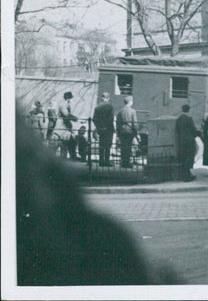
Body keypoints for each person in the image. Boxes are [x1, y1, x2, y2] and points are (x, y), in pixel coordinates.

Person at [15, 107, 181, 285]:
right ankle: (116, 161)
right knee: (113, 147)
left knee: (106, 148)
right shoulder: (94, 234)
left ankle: (106, 160)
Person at [175, 104, 200, 182]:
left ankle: (183, 175)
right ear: (188, 110)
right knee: (189, 158)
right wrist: (198, 134)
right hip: (189, 141)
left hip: (181, 141)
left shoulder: (178, 119)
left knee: (182, 157)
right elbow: (193, 130)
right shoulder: (189, 119)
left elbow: (177, 130)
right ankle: (187, 176)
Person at [93, 92, 115, 166]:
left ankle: (101, 161)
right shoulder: (110, 107)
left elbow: (94, 119)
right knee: (108, 146)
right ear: (108, 98)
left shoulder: (97, 107)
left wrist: (99, 127)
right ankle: (106, 161)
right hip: (108, 128)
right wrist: (107, 126)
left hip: (100, 129)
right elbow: (111, 119)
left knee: (101, 145)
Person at [116, 96, 138, 169]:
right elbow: (134, 122)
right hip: (129, 130)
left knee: (123, 146)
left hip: (122, 130)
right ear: (130, 102)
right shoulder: (132, 111)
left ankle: (123, 162)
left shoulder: (120, 111)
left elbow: (118, 122)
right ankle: (127, 162)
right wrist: (136, 130)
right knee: (128, 147)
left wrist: (118, 131)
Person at [58, 91, 79, 160]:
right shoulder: (62, 105)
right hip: (62, 125)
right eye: (69, 98)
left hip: (67, 125)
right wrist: (76, 119)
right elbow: (66, 115)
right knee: (64, 142)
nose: (70, 100)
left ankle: (72, 156)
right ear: (67, 98)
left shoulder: (67, 105)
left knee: (71, 141)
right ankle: (64, 158)